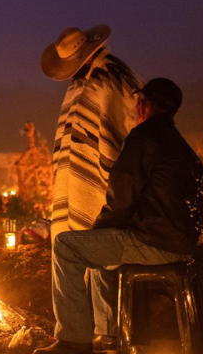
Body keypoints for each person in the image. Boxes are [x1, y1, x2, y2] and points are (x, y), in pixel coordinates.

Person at [36, 78, 203, 354]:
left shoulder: (144, 137)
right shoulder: (182, 147)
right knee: (100, 250)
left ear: (144, 106)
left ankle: (73, 341)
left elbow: (121, 197)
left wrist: (96, 233)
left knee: (68, 246)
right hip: (181, 245)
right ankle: (106, 338)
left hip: (155, 242)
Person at [42, 25, 141, 339]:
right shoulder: (80, 84)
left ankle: (104, 333)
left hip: (109, 186)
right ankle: (96, 331)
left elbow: (126, 131)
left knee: (101, 254)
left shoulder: (111, 78)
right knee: (80, 250)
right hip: (79, 184)